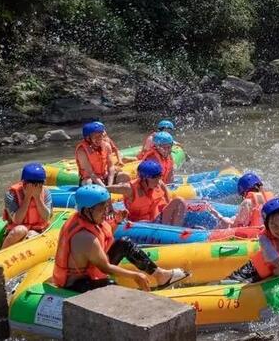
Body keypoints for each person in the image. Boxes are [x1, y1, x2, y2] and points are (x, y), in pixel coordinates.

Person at [53, 184, 187, 292]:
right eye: (102, 209)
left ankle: (161, 276)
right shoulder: (84, 238)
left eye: (106, 207)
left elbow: (102, 236)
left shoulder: (88, 219)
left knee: (124, 244)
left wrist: (116, 222)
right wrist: (135, 275)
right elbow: (106, 268)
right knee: (110, 284)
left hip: (90, 269)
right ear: (87, 210)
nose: (106, 212)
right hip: (76, 282)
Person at [106, 160, 187, 226]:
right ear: (143, 179)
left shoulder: (159, 182)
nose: (158, 181)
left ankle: (174, 232)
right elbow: (104, 190)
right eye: (155, 178)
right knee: (178, 201)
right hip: (141, 224)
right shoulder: (129, 189)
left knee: (179, 201)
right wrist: (110, 209)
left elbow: (167, 197)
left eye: (159, 177)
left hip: (159, 219)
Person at [2, 163, 53, 248]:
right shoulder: (11, 194)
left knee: (31, 234)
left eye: (40, 184)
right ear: (24, 183)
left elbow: (46, 217)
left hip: (38, 230)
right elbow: (17, 220)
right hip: (16, 231)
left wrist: (37, 198)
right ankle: (1, 252)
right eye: (32, 184)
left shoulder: (46, 192)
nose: (36, 187)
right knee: (20, 230)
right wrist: (27, 197)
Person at [75, 122, 120, 186]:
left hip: (104, 176)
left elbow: (110, 166)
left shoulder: (106, 146)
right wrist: (104, 187)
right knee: (88, 182)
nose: (99, 139)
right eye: (95, 137)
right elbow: (90, 173)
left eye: (100, 136)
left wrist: (110, 185)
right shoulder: (82, 151)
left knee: (123, 176)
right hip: (91, 178)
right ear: (88, 138)